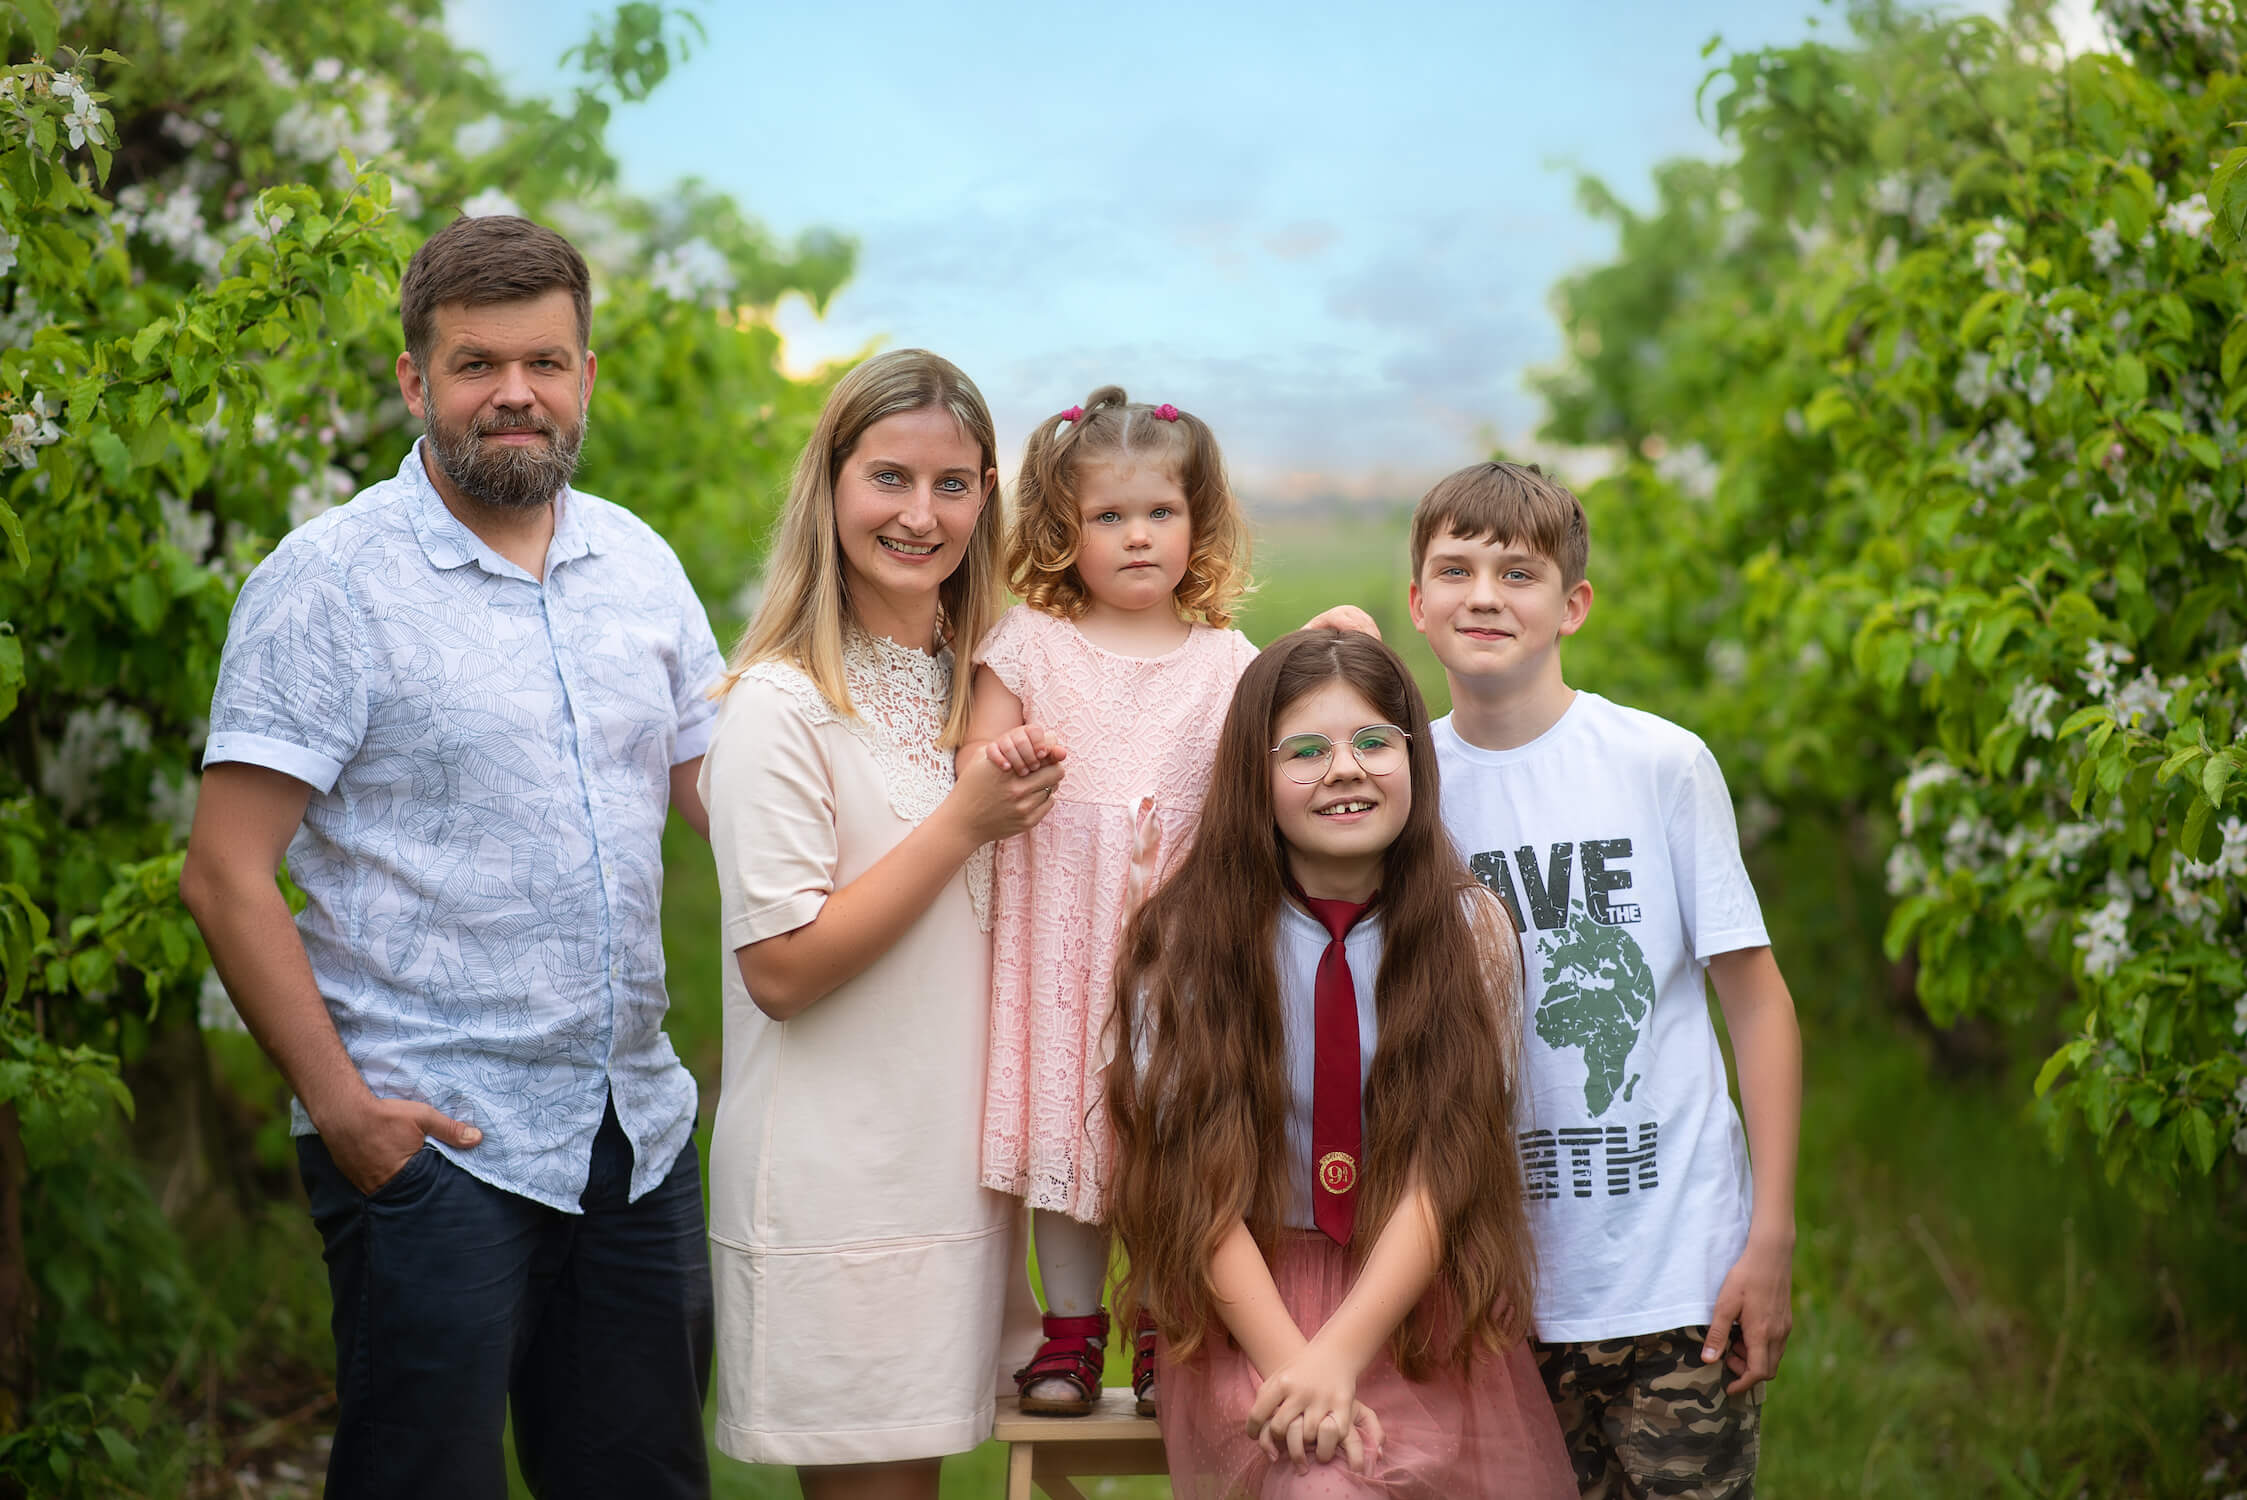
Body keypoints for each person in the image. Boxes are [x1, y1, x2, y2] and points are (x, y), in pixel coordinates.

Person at [179, 214, 719, 1499]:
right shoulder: (327, 583)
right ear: (415, 380)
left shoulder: (640, 566)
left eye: (544, 362)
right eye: (478, 364)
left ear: (586, 376)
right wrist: (347, 1116)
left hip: (631, 1135)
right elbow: (225, 872)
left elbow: (737, 807)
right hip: (434, 1145)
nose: (514, 392)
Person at [699, 348, 1056, 1499]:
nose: (920, 514)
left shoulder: (989, 684)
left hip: (960, 1177)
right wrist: (962, 823)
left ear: (987, 496)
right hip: (841, 1186)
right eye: (889, 478)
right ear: (832, 484)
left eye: (952, 485)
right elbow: (781, 971)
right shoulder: (780, 706)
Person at [1106, 628, 1577, 1499]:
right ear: (1251, 777)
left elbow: (1447, 1165)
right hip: (1251, 1307)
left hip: (1411, 1300)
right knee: (1324, 1483)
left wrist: (1343, 1356)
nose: (1345, 770)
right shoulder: (1187, 940)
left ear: (1413, 757)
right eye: (1305, 751)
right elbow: (1193, 1183)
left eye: (1371, 742)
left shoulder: (1469, 932)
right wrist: (1299, 1368)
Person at [1407, 461, 1802, 1499]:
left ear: (1572, 604)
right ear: (1416, 600)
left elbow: (1756, 1002)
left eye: (1517, 573)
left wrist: (1769, 1235)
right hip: (1494, 1293)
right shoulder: (1405, 789)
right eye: (1454, 569)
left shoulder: (1658, 764)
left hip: (1679, 1279)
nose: (1483, 595)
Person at [961, 386, 1259, 1419]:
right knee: (1071, 1137)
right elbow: (973, 761)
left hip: (1183, 957)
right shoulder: (1031, 644)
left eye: (1160, 512)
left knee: (1174, 1148)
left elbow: (1263, 783)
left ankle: (1167, 1329)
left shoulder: (1227, 663)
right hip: (1061, 946)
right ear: (1063, 529)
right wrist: (999, 751)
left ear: (1196, 523)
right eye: (1108, 515)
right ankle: (1072, 1334)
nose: (1138, 535)